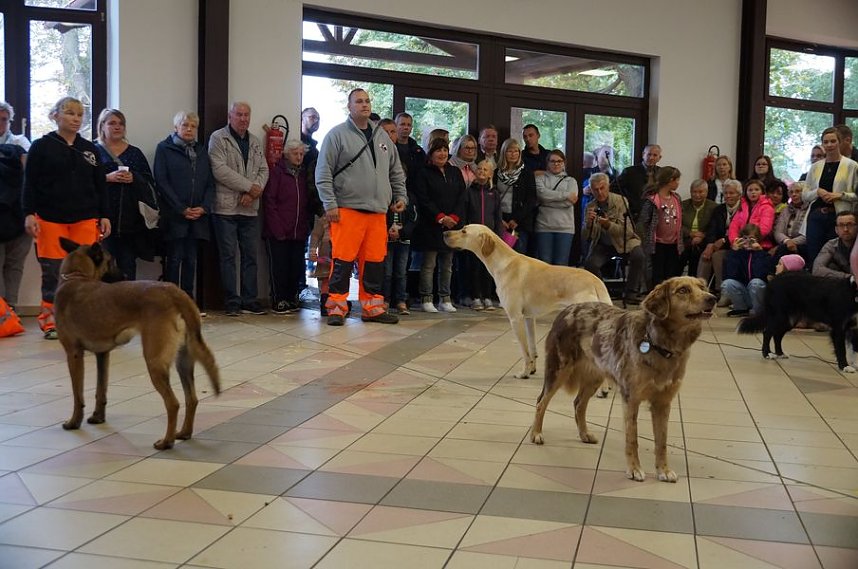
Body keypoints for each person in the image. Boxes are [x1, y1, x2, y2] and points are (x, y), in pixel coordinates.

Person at [315, 88, 407, 326]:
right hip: (346, 210)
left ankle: (373, 307)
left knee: (375, 262)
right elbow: (322, 172)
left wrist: (401, 196)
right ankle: (336, 307)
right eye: (359, 101)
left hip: (378, 212)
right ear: (350, 107)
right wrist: (330, 203)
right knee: (342, 261)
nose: (364, 105)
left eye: (367, 101)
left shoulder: (382, 137)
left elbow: (396, 170)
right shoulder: (336, 135)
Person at [22, 96, 110, 339]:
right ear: (55, 116)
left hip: (85, 218)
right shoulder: (41, 146)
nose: (75, 118)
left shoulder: (90, 149)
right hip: (50, 219)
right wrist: (29, 213)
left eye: (80, 114)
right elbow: (29, 184)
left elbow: (99, 185)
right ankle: (51, 321)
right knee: (53, 271)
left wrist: (104, 215)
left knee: (87, 272)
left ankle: (83, 321)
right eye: (70, 113)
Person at [208, 101, 270, 316]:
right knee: (228, 257)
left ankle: (249, 299)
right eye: (239, 114)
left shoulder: (253, 141)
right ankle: (231, 301)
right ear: (230, 116)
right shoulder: (218, 138)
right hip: (225, 208)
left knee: (250, 256)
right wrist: (249, 187)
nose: (243, 118)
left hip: (249, 208)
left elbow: (263, 169)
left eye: (246, 115)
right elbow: (219, 170)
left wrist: (255, 190)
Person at [153, 111, 214, 304]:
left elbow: (210, 183)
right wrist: (181, 208)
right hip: (175, 215)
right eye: (185, 125)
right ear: (176, 127)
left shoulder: (202, 151)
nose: (189, 129)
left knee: (191, 260)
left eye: (193, 126)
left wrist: (204, 207)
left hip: (198, 216)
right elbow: (161, 181)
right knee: (174, 259)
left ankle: (188, 301)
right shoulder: (164, 148)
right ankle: (170, 302)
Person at [93, 108, 156, 281]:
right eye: (112, 123)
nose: (117, 127)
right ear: (102, 126)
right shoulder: (93, 151)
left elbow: (149, 182)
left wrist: (134, 178)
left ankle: (128, 306)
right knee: (102, 266)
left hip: (131, 221)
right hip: (102, 218)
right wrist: (107, 177)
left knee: (128, 265)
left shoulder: (135, 153)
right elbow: (84, 181)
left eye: (121, 123)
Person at [262, 139, 320, 314]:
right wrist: (277, 229)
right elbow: (269, 202)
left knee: (295, 267)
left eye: (302, 154)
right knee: (279, 267)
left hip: (298, 231)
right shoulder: (277, 173)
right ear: (287, 154)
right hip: (278, 231)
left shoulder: (303, 176)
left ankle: (291, 297)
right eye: (296, 153)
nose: (299, 157)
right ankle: (279, 299)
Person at [413, 138, 466, 313]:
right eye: (438, 150)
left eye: (445, 150)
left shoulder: (455, 172)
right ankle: (426, 298)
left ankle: (445, 298)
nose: (442, 153)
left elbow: (461, 197)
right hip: (431, 225)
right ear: (431, 153)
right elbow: (423, 199)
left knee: (447, 264)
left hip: (452, 225)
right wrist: (441, 217)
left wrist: (454, 217)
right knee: (429, 265)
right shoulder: (424, 173)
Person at [583, 172, 646, 304]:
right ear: (591, 190)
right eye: (596, 189)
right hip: (603, 244)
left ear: (608, 187)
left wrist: (608, 225)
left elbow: (627, 231)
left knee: (638, 256)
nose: (599, 192)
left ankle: (631, 293)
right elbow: (585, 237)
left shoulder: (620, 201)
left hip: (624, 241)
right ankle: (603, 293)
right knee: (590, 264)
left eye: (602, 188)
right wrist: (588, 224)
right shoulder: (590, 206)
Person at [801, 126, 858, 266]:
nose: (829, 145)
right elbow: (805, 195)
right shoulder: (815, 167)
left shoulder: (851, 165)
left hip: (838, 217)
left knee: (835, 259)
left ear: (839, 142)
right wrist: (817, 192)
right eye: (825, 142)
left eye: (833, 141)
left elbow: (856, 195)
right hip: (816, 216)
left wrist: (840, 195)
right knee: (814, 257)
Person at [0, 101, 31, 312]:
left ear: (10, 121)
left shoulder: (21, 143)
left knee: (14, 265)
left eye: (3, 119)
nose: (0, 123)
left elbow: (31, 176)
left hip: (18, 214)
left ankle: (10, 311)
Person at [464, 160, 502, 311]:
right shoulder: (469, 191)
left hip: (489, 237)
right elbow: (465, 214)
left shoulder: (494, 193)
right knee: (474, 268)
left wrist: (498, 236)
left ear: (490, 174)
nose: (481, 171)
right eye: (479, 168)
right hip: (473, 238)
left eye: (485, 169)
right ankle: (476, 297)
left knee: (488, 268)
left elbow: (498, 216)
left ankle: (487, 296)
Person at [639, 166, 683, 287]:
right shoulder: (653, 200)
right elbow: (644, 221)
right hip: (657, 243)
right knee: (657, 273)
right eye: (677, 180)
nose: (678, 183)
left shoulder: (676, 198)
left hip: (673, 243)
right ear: (670, 180)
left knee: (671, 273)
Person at [699, 179, 742, 296]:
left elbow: (742, 232)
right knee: (705, 255)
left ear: (739, 194)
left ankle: (721, 290)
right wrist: (710, 244)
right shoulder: (719, 209)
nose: (728, 196)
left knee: (717, 256)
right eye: (726, 193)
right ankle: (699, 289)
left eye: (732, 193)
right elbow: (712, 229)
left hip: (736, 244)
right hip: (717, 244)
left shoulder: (744, 209)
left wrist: (724, 240)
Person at [534, 149, 578, 265]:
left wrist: (546, 201)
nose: (556, 164)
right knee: (544, 264)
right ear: (547, 163)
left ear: (564, 163)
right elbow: (542, 195)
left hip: (565, 228)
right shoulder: (539, 179)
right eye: (552, 161)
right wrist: (565, 195)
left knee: (561, 265)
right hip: (544, 227)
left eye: (559, 161)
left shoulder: (571, 181)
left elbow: (569, 202)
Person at [495, 137, 537, 255]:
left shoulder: (526, 174)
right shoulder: (495, 173)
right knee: (500, 257)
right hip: (500, 220)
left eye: (516, 151)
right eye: (510, 151)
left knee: (518, 257)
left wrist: (516, 219)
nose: (513, 154)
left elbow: (531, 200)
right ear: (504, 153)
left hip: (520, 222)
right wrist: (499, 219)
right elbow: (492, 199)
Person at [721, 223, 772, 317]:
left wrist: (758, 253)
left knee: (756, 282)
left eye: (751, 239)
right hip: (744, 292)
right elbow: (729, 275)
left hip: (758, 294)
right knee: (727, 283)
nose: (748, 241)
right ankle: (741, 309)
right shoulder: (735, 254)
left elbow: (760, 275)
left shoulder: (764, 255)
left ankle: (758, 311)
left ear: (758, 240)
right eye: (745, 238)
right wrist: (734, 253)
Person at [612, 143, 662, 221]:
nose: (651, 158)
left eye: (655, 155)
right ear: (643, 155)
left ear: (659, 158)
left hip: (655, 215)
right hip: (634, 215)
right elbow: (613, 188)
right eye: (649, 154)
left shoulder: (661, 172)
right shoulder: (630, 172)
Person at [679, 178, 717, 279]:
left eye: (700, 192)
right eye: (694, 192)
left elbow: (714, 226)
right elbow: (677, 224)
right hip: (684, 239)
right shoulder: (682, 205)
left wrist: (703, 235)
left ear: (707, 192)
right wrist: (690, 233)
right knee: (681, 252)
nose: (697, 195)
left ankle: (695, 281)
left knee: (697, 252)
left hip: (704, 240)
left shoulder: (714, 207)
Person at [728, 179, 775, 252]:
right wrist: (735, 240)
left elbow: (765, 228)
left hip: (759, 245)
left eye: (756, 190)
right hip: (741, 244)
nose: (753, 192)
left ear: (762, 192)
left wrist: (750, 241)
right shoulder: (742, 206)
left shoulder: (767, 207)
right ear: (746, 192)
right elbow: (733, 226)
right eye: (750, 190)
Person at [770, 181, 808, 262]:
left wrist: (790, 242)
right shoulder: (786, 209)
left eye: (798, 191)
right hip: (784, 243)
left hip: (802, 245)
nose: (794, 194)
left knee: (781, 250)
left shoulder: (810, 209)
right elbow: (778, 232)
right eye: (791, 192)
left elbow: (807, 235)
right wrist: (787, 241)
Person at [812, 211, 856, 280]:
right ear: (836, 230)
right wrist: (849, 277)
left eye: (850, 225)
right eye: (841, 225)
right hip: (844, 282)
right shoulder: (831, 245)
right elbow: (817, 269)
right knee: (831, 267)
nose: (845, 229)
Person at [308, 215, 332, 316]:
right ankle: (325, 304)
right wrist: (312, 251)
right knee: (327, 280)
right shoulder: (324, 219)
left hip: (338, 254)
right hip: (327, 253)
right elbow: (315, 235)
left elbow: (315, 235)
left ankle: (329, 303)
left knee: (332, 280)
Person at [393, 112, 425, 178]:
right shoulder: (390, 148)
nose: (406, 128)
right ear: (395, 126)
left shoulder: (418, 151)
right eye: (402, 124)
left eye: (409, 125)